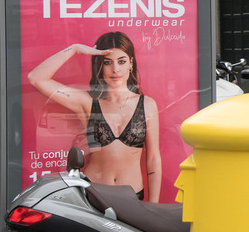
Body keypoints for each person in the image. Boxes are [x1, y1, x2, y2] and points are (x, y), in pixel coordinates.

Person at [28, 31, 162, 202]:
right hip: (93, 193)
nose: (115, 69)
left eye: (121, 61)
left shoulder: (147, 105)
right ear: (100, 66)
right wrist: (74, 49)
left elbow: (153, 158)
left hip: (132, 195)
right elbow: (36, 78)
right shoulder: (88, 103)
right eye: (107, 63)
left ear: (130, 63)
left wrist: (154, 205)